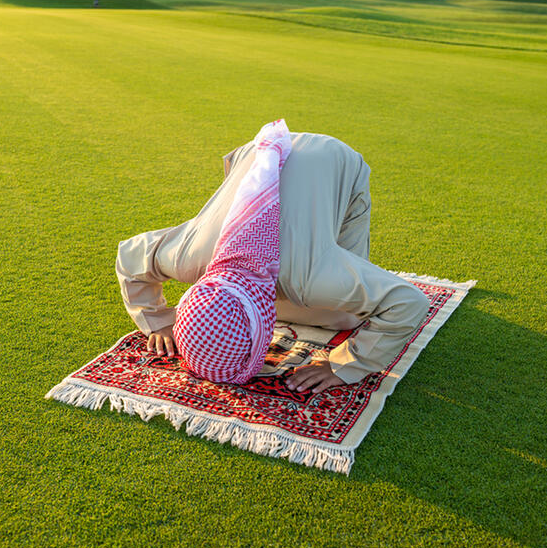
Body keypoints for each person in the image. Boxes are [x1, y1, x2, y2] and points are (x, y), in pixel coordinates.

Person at [116, 122, 429, 393]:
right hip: (253, 154)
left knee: (345, 318)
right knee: (304, 299)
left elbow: (408, 303)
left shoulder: (312, 277)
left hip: (332, 158)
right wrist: (157, 322)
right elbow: (130, 257)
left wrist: (344, 365)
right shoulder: (191, 256)